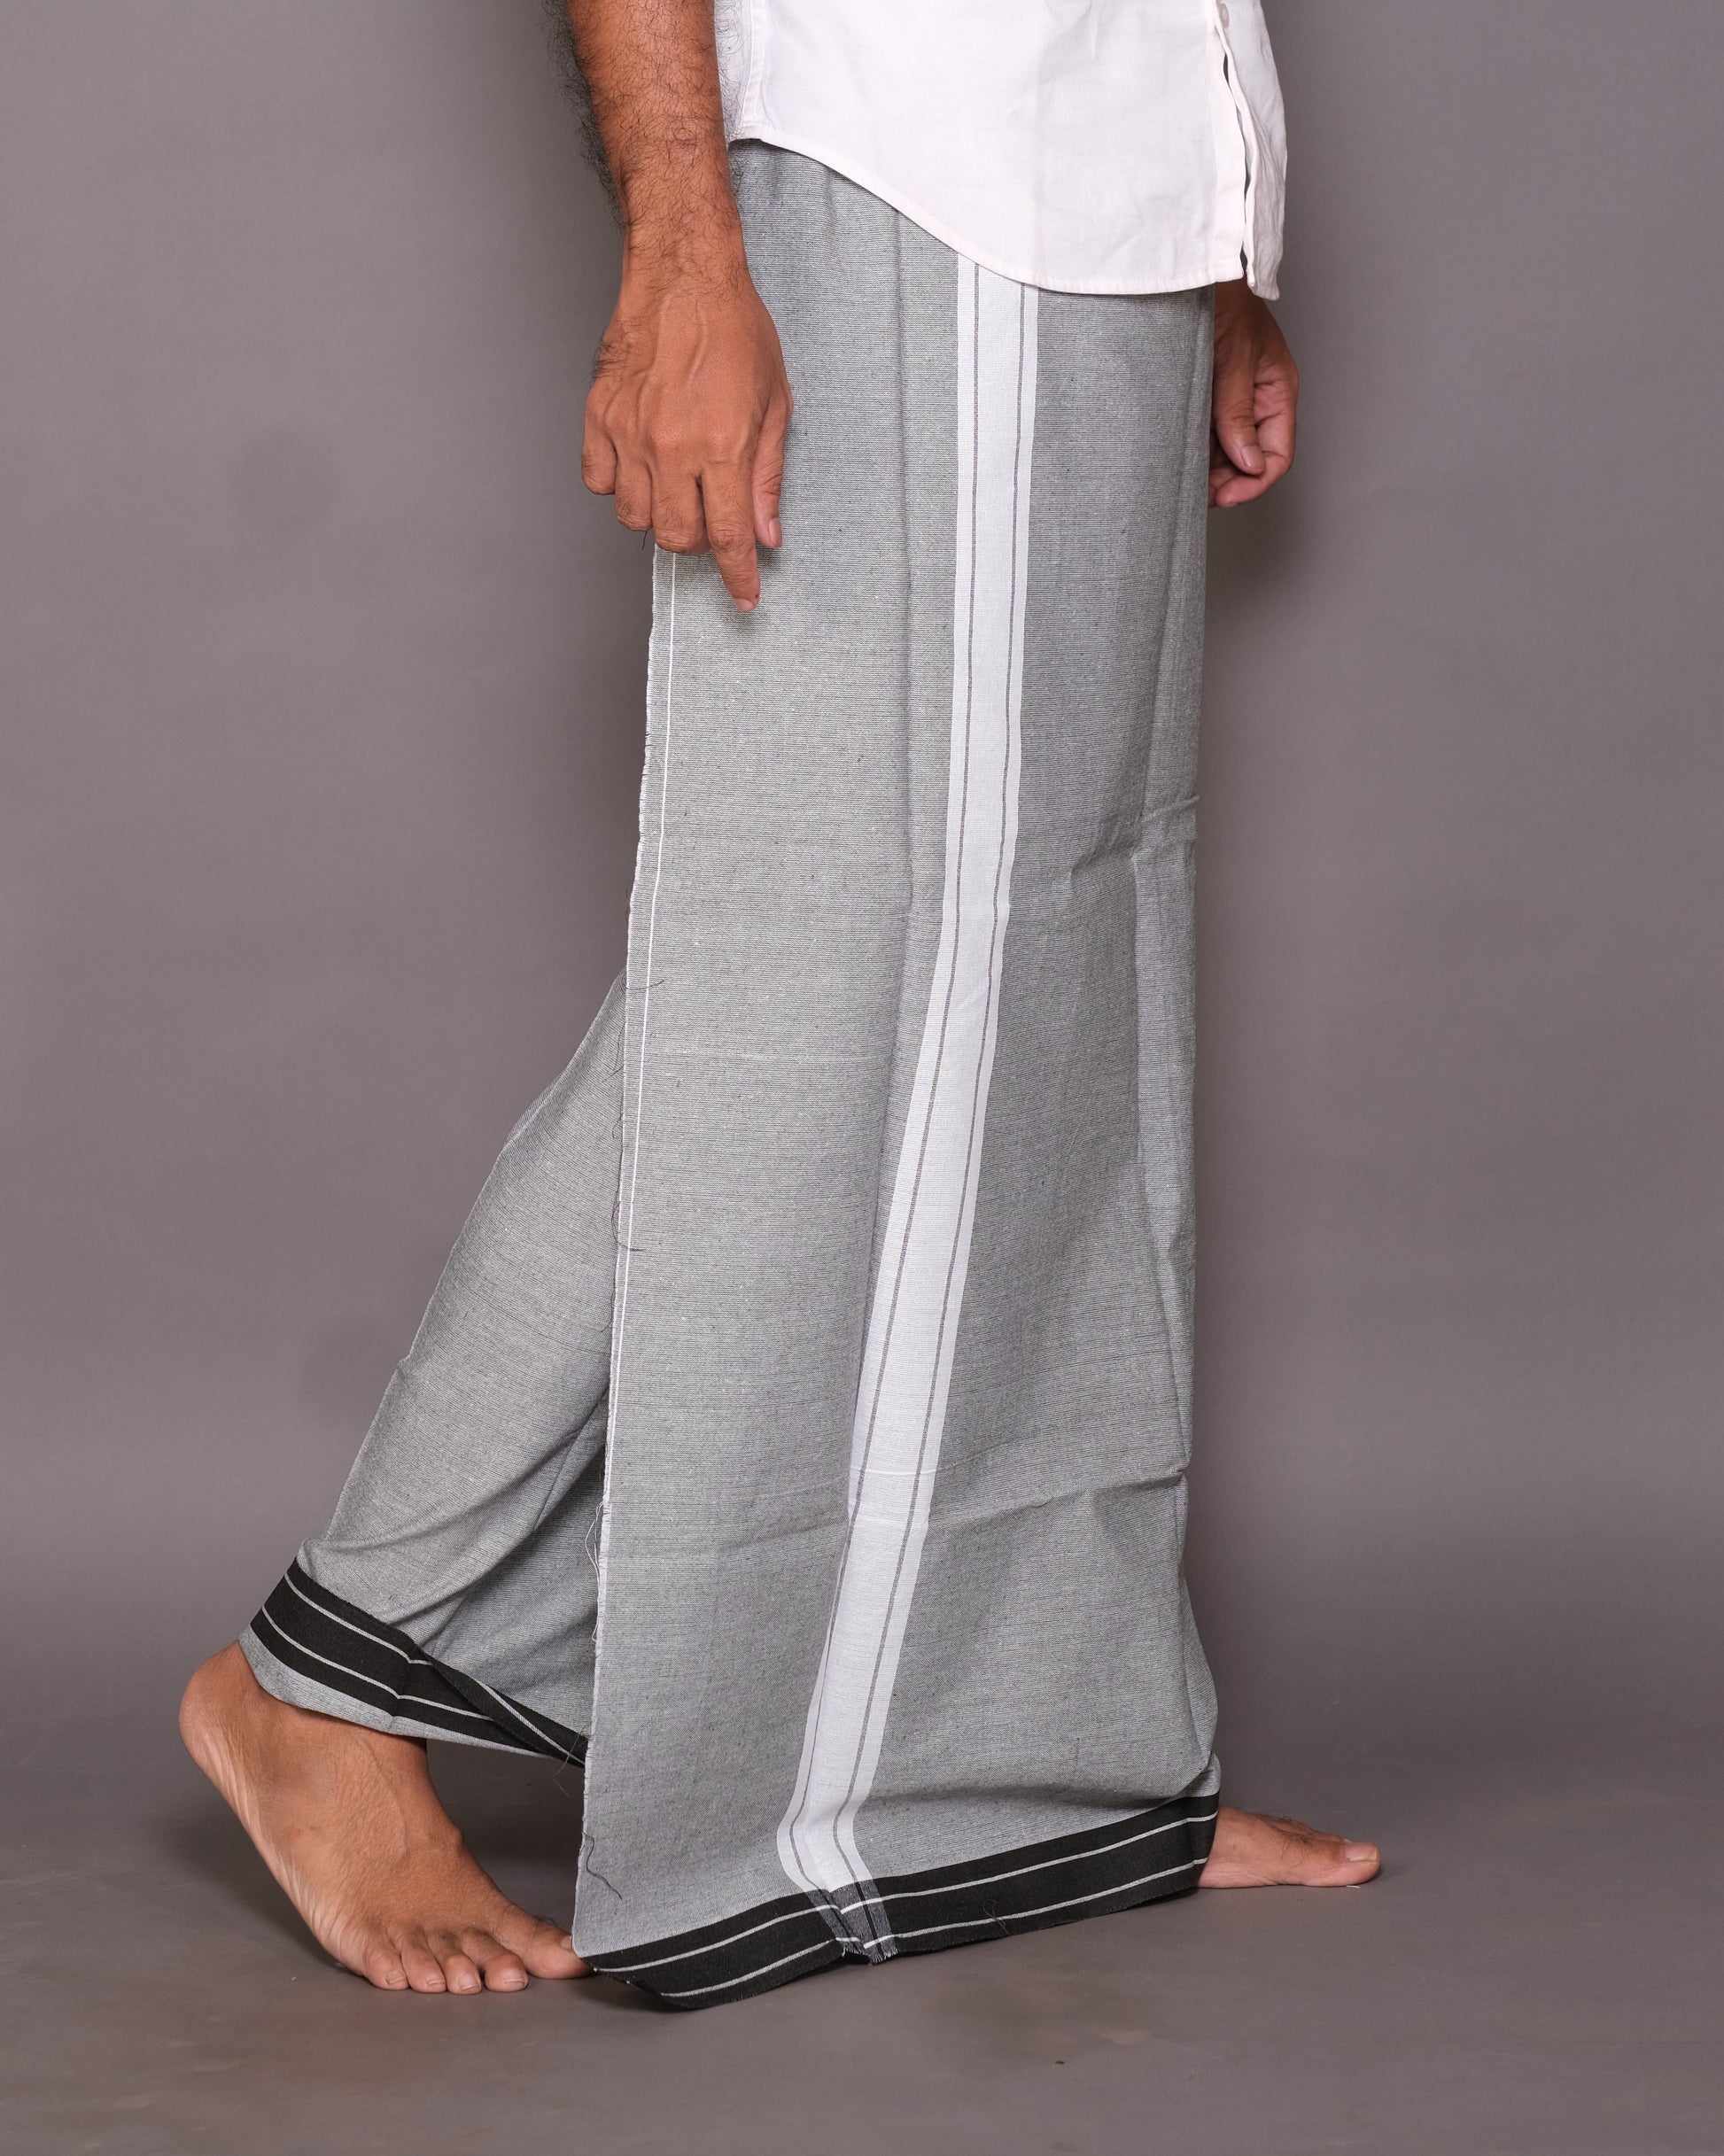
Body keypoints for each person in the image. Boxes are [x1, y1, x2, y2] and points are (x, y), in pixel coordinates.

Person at [181, 0, 1380, 2008]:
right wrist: (682, 245)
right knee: (804, 974)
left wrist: (1212, 221)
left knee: (1057, 970)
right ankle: (332, 1671)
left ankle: (1022, 1761)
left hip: (1111, 198)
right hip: (901, 171)